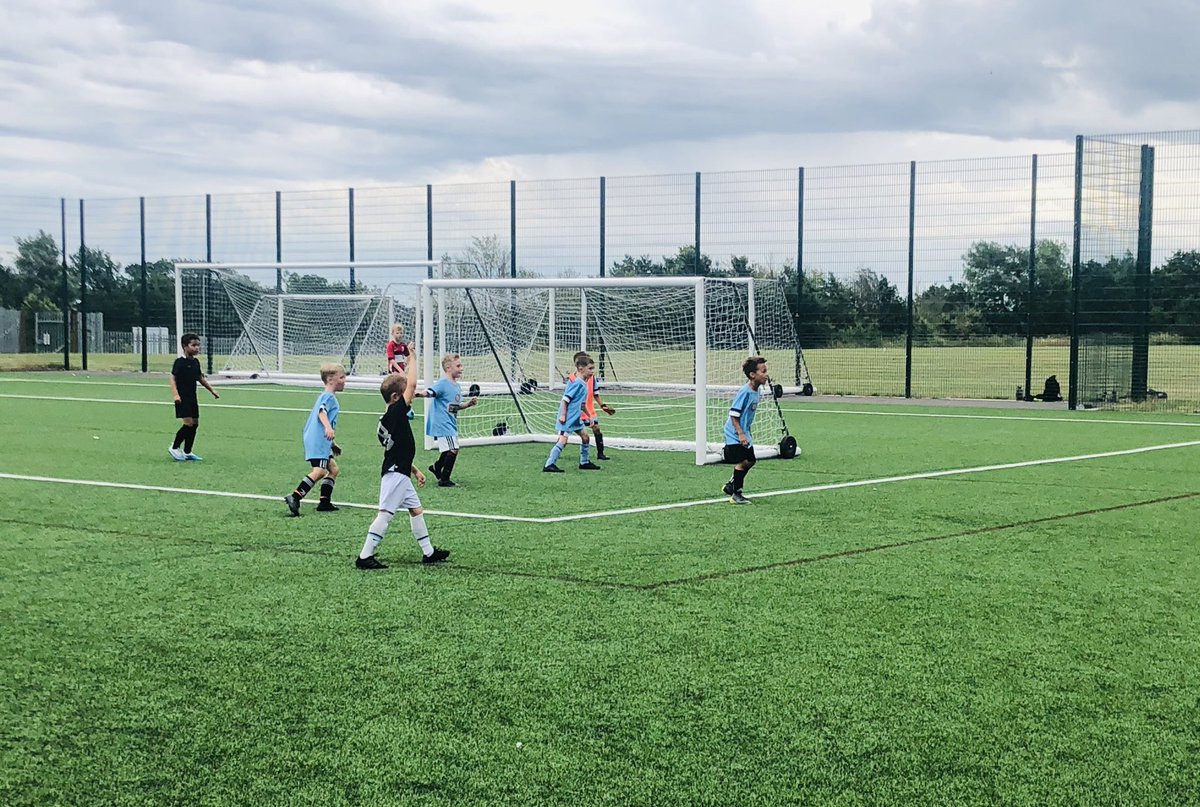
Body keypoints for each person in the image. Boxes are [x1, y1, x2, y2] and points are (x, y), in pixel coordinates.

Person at [355, 369, 450, 569]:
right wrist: (412, 356)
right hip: (395, 475)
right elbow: (414, 386)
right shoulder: (394, 413)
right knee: (385, 514)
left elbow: (398, 449)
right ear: (395, 397)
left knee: (416, 511)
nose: (411, 396)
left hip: (401, 472)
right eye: (406, 393)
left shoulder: (391, 418)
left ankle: (428, 552)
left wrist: (414, 470)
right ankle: (364, 556)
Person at [284, 363, 346, 516]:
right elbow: (321, 412)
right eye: (342, 377)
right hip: (318, 440)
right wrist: (328, 428)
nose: (345, 380)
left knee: (333, 469)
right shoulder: (328, 397)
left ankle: (324, 502)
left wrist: (332, 444)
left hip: (321, 441)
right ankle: (295, 496)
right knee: (319, 471)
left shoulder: (328, 397)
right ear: (331, 379)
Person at [423, 352, 477, 488]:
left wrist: (468, 404)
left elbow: (456, 406)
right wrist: (416, 394)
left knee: (448, 449)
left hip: (450, 422)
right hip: (442, 422)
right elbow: (430, 392)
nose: (461, 368)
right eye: (458, 366)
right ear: (448, 368)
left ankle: (437, 467)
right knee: (453, 448)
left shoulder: (456, 386)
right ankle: (444, 479)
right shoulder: (442, 383)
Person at [543, 354, 603, 473]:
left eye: (593, 368)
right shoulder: (577, 383)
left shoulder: (584, 383)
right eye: (590, 368)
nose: (592, 371)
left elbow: (581, 404)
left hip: (576, 418)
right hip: (568, 418)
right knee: (563, 441)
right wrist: (563, 415)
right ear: (581, 369)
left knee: (585, 438)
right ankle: (549, 464)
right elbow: (565, 400)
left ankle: (584, 462)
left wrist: (589, 415)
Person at [722, 355, 768, 504]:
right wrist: (741, 433)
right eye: (763, 371)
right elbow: (734, 415)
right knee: (743, 461)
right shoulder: (745, 392)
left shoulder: (757, 391)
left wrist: (746, 431)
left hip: (744, 431)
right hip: (734, 433)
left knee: (751, 460)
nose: (766, 374)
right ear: (752, 375)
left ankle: (731, 484)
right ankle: (736, 494)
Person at [168, 332, 219, 461]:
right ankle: (174, 447)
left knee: (195, 424)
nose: (196, 348)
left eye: (198, 345)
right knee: (188, 423)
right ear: (185, 347)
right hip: (182, 398)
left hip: (192, 398)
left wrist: (212, 390)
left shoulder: (195, 362)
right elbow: (172, 378)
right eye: (193, 345)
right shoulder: (179, 362)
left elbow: (200, 378)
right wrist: (175, 395)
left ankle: (187, 451)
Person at [570, 350, 616, 460]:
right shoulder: (572, 379)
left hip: (589, 409)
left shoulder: (592, 377)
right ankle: (557, 451)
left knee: (596, 429)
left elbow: (595, 393)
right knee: (566, 433)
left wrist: (603, 406)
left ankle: (600, 453)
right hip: (577, 410)